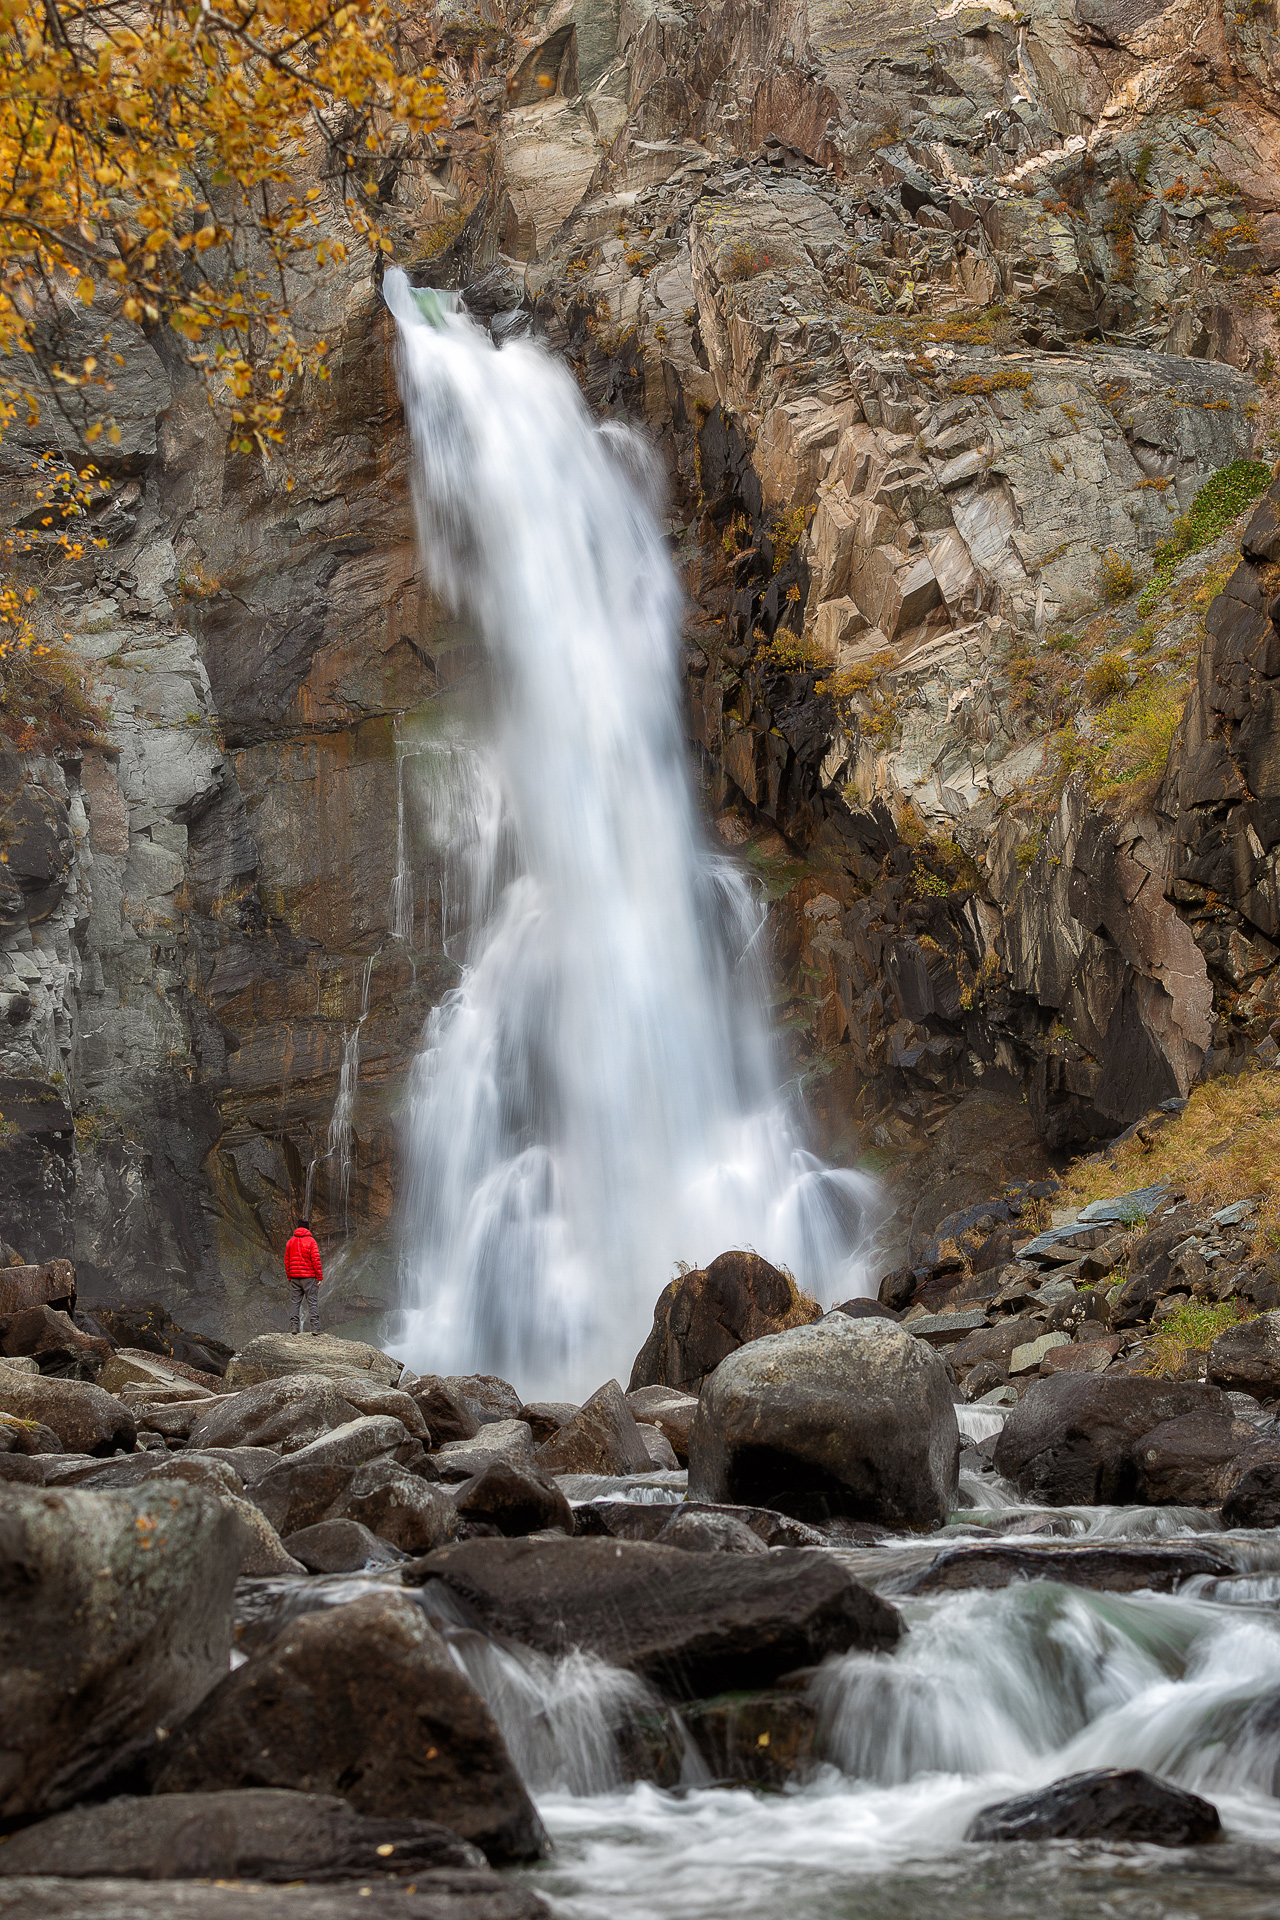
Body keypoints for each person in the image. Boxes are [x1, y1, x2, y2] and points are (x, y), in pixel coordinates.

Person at [284, 1217, 323, 1335]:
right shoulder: (311, 1242)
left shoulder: (290, 1241)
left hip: (295, 1277)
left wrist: (289, 1276)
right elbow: (316, 1260)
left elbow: (286, 1260)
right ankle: (315, 1328)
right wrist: (319, 1277)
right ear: (307, 1228)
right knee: (312, 1302)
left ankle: (294, 1328)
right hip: (309, 1277)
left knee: (295, 1302)